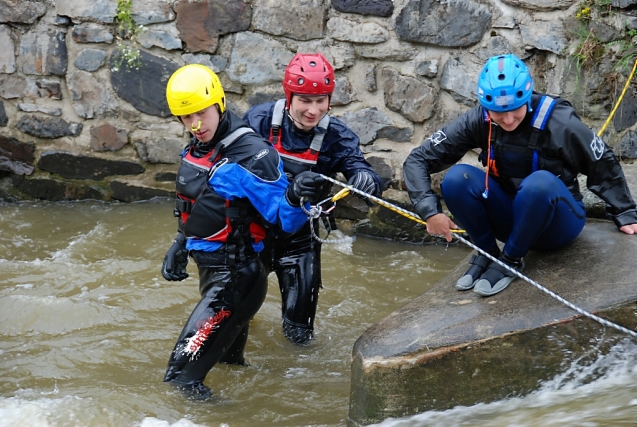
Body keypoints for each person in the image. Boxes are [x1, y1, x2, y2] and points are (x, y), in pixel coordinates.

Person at [403, 53, 637, 297]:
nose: (507, 119)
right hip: (511, 220)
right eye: (497, 112)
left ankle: (511, 261)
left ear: (527, 97)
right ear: (486, 106)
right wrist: (429, 211)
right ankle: (487, 253)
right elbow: (418, 159)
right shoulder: (479, 119)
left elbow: (600, 159)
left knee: (539, 183)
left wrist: (624, 210)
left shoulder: (558, 120)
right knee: (456, 179)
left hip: (558, 225)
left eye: (515, 110)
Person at [160, 64, 326, 399]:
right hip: (211, 270)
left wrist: (294, 195)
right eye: (184, 117)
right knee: (226, 366)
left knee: (180, 380)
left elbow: (284, 221)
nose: (193, 124)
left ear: (219, 103)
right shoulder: (199, 145)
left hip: (237, 279)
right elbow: (200, 203)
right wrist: (180, 244)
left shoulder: (253, 155)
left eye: (200, 113)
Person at [242, 53, 383, 344]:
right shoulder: (258, 121)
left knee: (299, 335)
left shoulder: (337, 136)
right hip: (253, 234)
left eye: (321, 101)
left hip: (300, 240)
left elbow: (362, 169)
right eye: (305, 100)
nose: (313, 110)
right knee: (237, 320)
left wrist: (365, 179)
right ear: (289, 95)